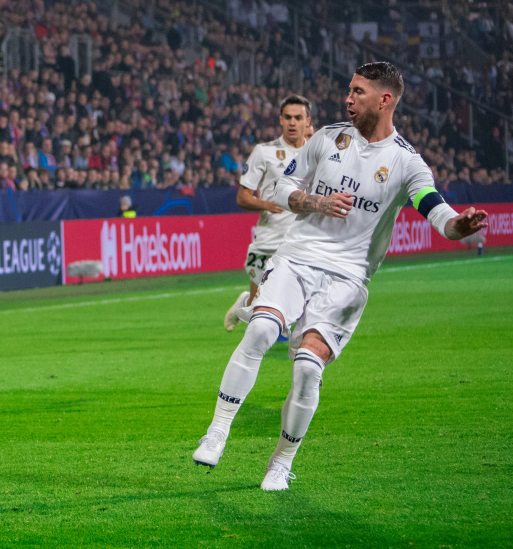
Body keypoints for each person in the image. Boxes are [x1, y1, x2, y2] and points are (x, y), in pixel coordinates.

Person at [192, 63, 487, 491]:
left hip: (347, 279)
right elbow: (280, 188)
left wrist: (460, 225)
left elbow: (437, 212)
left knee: (307, 370)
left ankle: (281, 462)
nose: (348, 98)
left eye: (358, 92)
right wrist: (315, 202)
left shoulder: (406, 161)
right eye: (349, 90)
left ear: (385, 100)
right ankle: (217, 432)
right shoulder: (327, 139)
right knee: (260, 330)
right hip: (297, 257)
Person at [223, 94, 312, 332]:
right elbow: (242, 197)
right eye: (288, 117)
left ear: (307, 121)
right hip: (270, 238)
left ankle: (295, 341)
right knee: (258, 307)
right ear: (280, 120)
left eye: (298, 118)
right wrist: (266, 204)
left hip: (302, 239)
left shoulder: (317, 154)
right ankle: (244, 303)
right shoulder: (264, 152)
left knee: (304, 301)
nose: (292, 122)